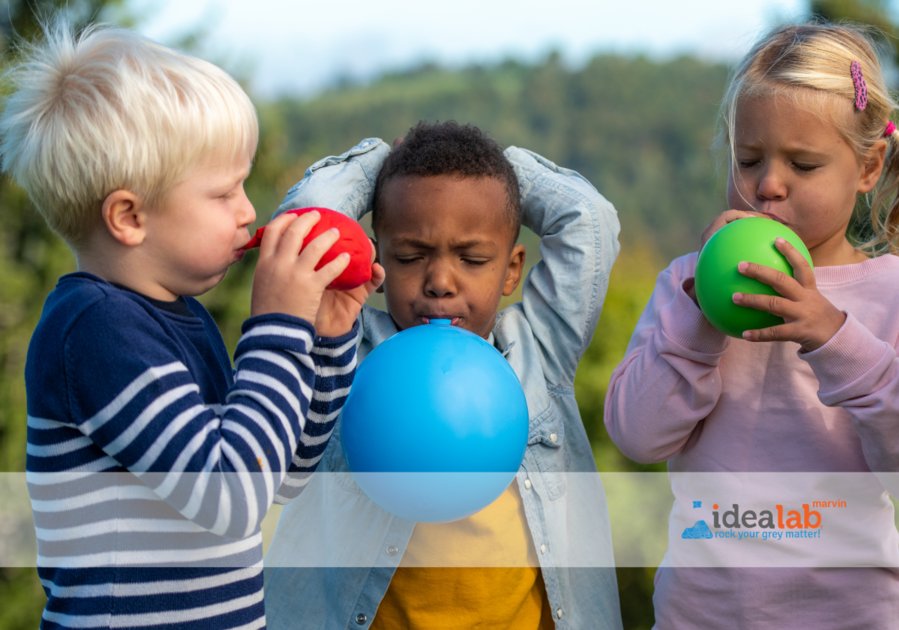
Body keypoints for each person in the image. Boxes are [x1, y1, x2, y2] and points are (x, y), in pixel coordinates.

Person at [0, 23, 383, 629]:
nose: (249, 211)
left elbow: (280, 474)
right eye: (224, 192)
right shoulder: (96, 332)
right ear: (129, 216)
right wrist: (277, 324)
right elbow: (232, 497)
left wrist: (325, 341)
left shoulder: (177, 318)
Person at [263, 121, 623, 629]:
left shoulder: (539, 349)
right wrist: (383, 162)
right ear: (377, 259)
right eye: (410, 257)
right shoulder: (346, 347)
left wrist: (496, 166)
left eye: (473, 259)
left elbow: (589, 220)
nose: (440, 282)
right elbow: (305, 224)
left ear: (512, 270)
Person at [605, 23, 899, 629]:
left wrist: (834, 336)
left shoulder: (888, 294)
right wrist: (698, 320)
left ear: (868, 167)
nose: (768, 184)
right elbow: (636, 437)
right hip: (700, 616)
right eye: (749, 159)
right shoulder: (686, 285)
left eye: (803, 163)